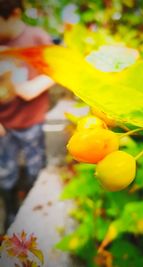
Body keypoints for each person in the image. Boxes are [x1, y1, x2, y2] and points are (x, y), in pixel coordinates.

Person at [0, 0, 55, 231]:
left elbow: (56, 71)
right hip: (4, 124)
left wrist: (36, 86)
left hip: (31, 120)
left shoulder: (36, 38)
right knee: (5, 170)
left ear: (14, 14)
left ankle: (32, 209)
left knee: (35, 166)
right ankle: (11, 211)